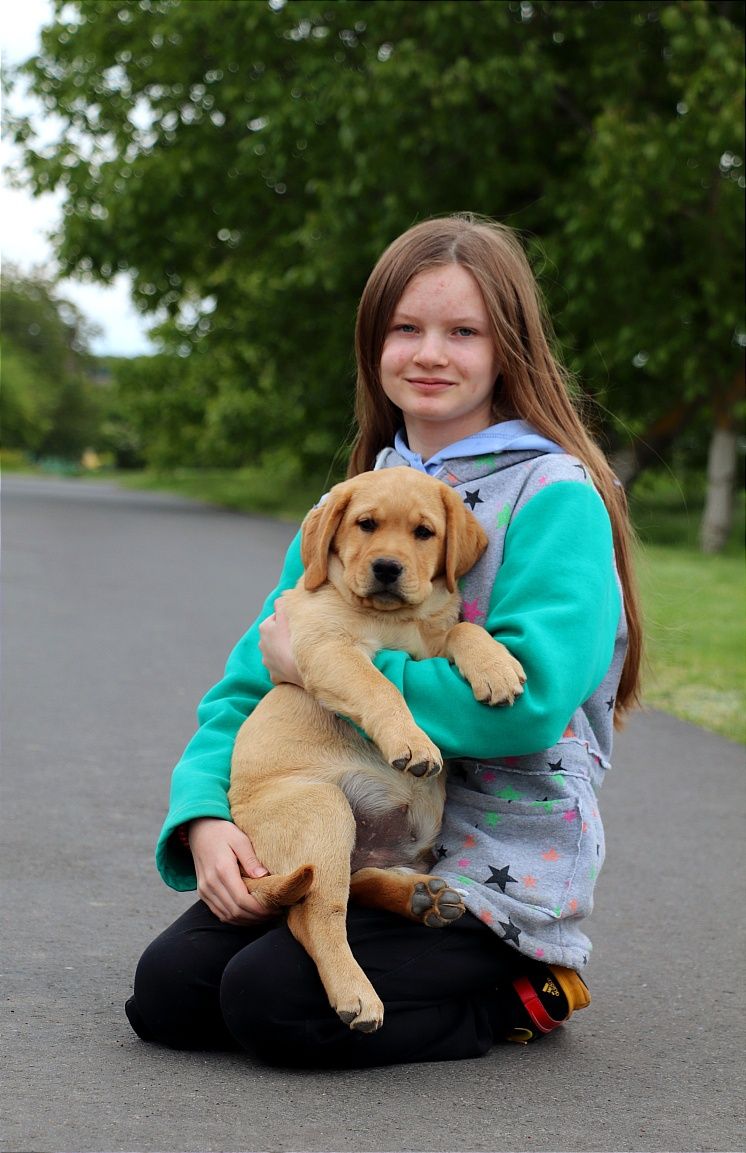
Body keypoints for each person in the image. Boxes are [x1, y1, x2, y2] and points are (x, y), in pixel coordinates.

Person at [125, 213, 642, 1067]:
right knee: (170, 992)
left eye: (462, 331)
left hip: (486, 863)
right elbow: (252, 681)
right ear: (374, 345)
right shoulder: (350, 503)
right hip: (344, 821)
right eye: (407, 328)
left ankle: (521, 991)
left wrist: (333, 674)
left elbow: (532, 705)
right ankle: (347, 926)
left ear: (508, 347)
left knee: (272, 1004)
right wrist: (207, 818)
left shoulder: (554, 498)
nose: (430, 352)